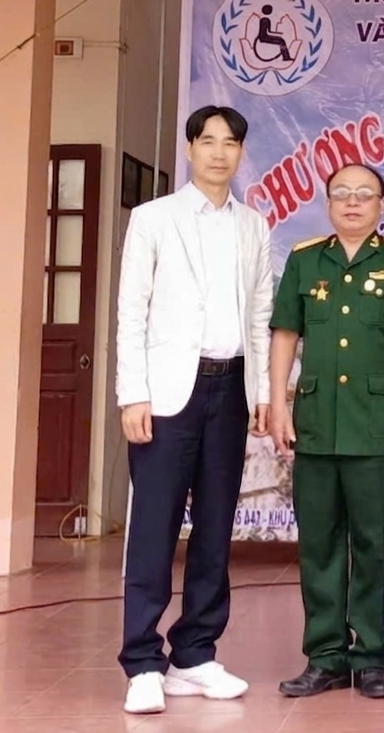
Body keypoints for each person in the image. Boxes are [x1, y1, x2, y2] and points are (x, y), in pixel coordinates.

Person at [115, 105, 273, 714]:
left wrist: (262, 392)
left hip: (229, 390)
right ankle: (142, 661)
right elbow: (132, 310)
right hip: (166, 394)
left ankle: (195, 654)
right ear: (189, 149)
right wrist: (133, 392)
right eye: (207, 141)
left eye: (230, 143)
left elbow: (259, 315)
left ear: (241, 153)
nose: (218, 152)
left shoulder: (253, 226)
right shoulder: (153, 218)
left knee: (214, 528)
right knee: (154, 527)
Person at [269, 163, 384, 700]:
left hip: (378, 426)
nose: (353, 202)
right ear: (328, 204)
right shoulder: (304, 259)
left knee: (373, 545)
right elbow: (285, 334)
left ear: (382, 206)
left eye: (365, 194)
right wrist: (278, 403)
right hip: (316, 424)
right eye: (342, 194)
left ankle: (371, 658)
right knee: (318, 546)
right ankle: (325, 657)